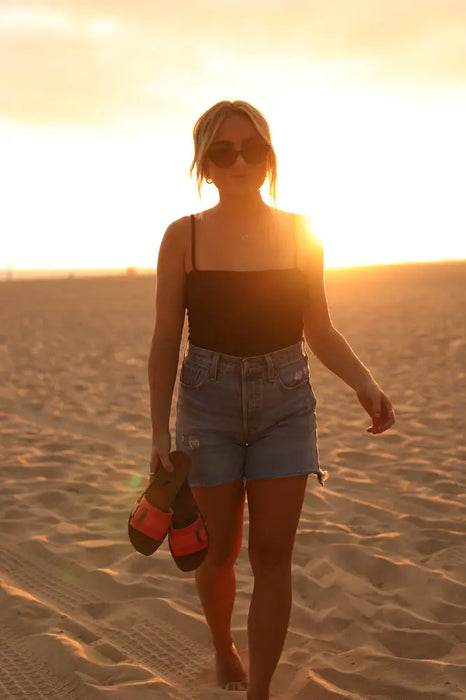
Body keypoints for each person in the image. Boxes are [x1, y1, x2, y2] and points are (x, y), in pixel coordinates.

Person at [148, 100, 395, 700]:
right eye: (223, 151)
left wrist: (365, 383)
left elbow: (321, 330)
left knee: (272, 554)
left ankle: (259, 690)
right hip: (205, 403)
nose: (240, 161)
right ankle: (224, 646)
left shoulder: (301, 233)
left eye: (252, 149)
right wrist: (158, 432)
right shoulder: (184, 237)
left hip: (285, 400)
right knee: (219, 551)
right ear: (204, 163)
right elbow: (163, 340)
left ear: (269, 158)